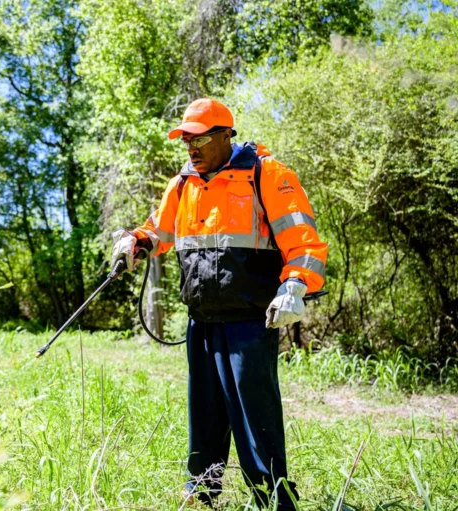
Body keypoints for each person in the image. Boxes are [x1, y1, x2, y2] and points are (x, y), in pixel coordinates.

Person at [111, 98, 328, 509]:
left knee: (254, 417)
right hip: (201, 320)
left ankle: (273, 499)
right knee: (205, 416)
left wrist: (295, 284)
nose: (191, 148)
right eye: (186, 140)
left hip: (251, 322)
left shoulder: (268, 175)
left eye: (200, 139)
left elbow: (304, 242)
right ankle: (200, 494)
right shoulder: (183, 184)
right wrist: (136, 241)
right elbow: (159, 230)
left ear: (226, 135)